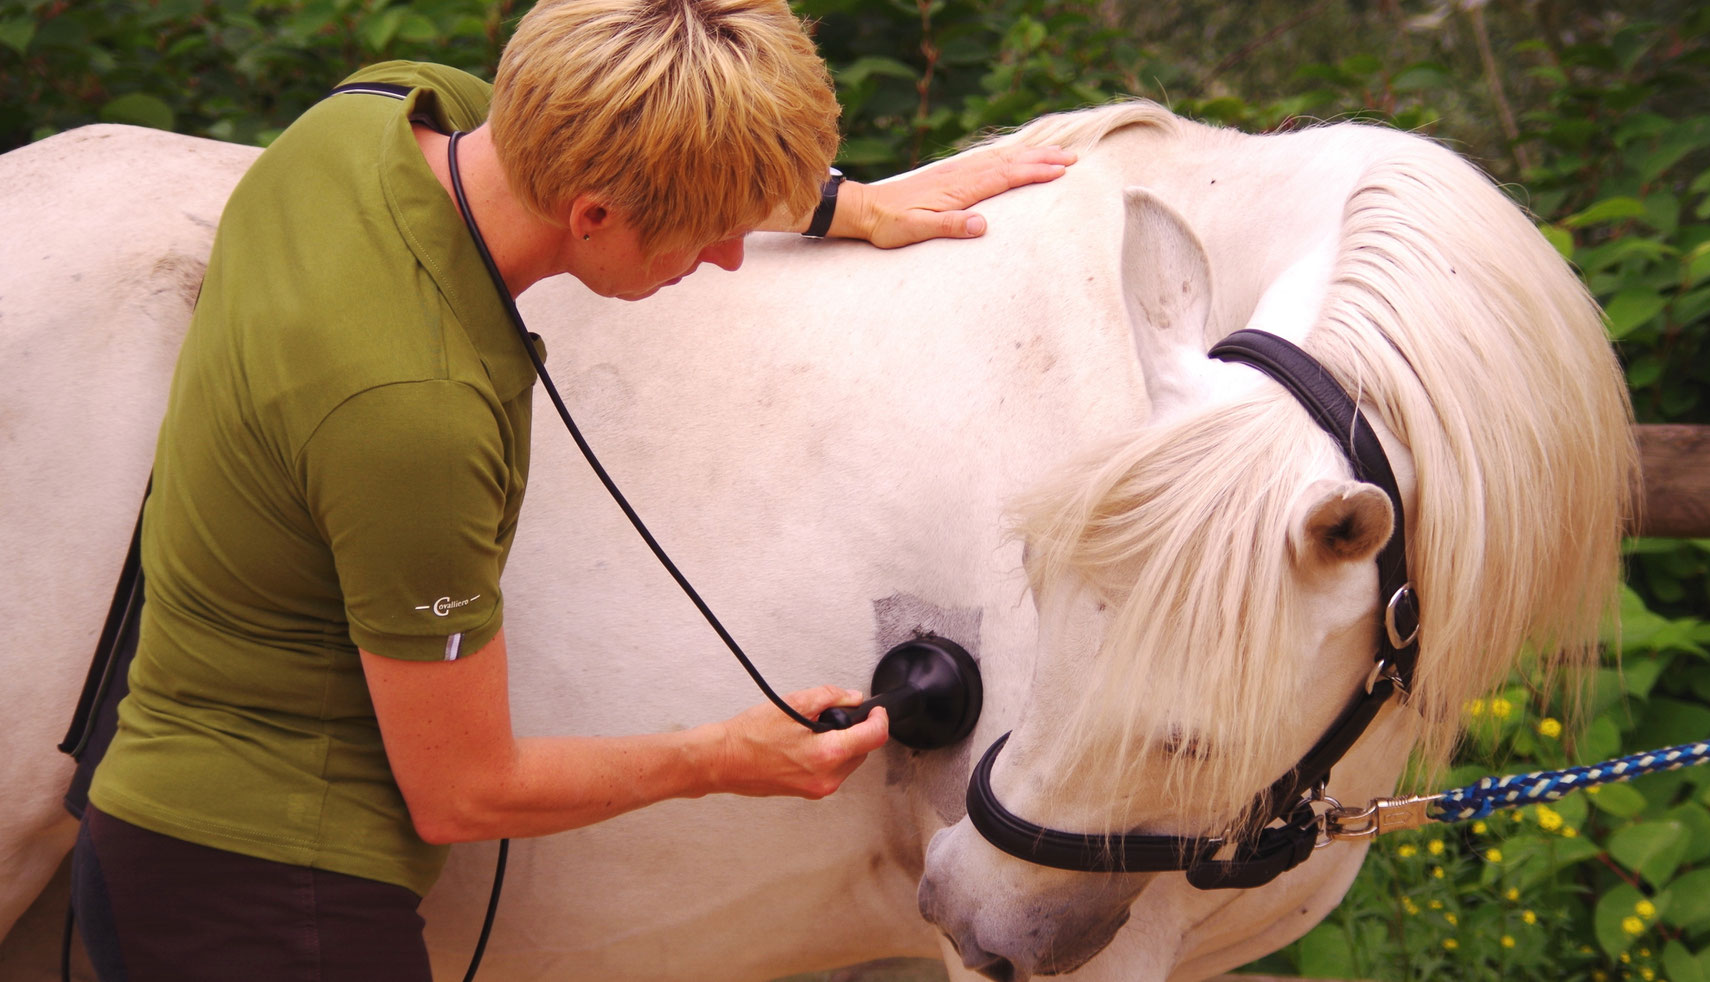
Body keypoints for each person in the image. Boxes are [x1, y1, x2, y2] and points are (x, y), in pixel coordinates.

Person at [70, 0, 1074, 977]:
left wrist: (844, 204)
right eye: (708, 232)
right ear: (592, 216)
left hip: (151, 830)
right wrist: (723, 757)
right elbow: (462, 792)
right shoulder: (412, 413)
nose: (730, 257)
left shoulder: (371, 117)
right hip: (260, 900)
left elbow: (635, 141)